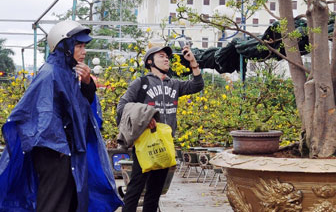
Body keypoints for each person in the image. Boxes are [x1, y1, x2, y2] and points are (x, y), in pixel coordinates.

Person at [0, 20, 122, 211]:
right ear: (64, 47)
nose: (84, 51)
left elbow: (82, 111)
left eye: (84, 46)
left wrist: (88, 84)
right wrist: (59, 148)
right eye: (79, 46)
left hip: (66, 151)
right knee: (54, 203)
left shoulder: (69, 73)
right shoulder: (50, 73)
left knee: (70, 202)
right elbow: (38, 113)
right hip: (53, 152)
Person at [117, 44, 204, 212]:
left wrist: (193, 62)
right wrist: (145, 116)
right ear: (150, 61)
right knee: (136, 186)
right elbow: (122, 107)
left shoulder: (175, 84)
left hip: (165, 142)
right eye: (161, 56)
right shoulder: (141, 83)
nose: (166, 59)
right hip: (144, 142)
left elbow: (197, 85)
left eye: (167, 57)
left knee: (155, 190)